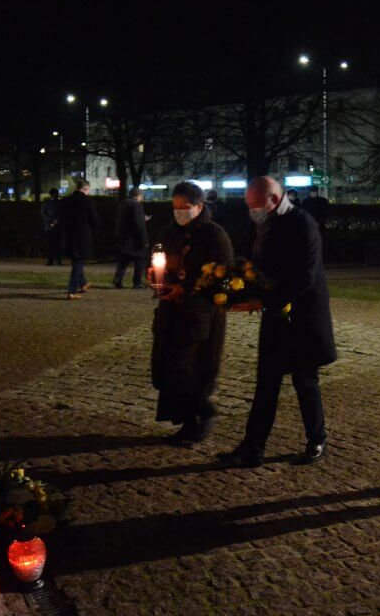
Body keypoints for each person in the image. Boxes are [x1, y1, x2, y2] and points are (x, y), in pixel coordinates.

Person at [221, 176, 336, 468]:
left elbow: (304, 277)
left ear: (273, 200)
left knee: (305, 381)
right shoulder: (261, 223)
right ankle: (253, 448)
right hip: (275, 314)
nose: (252, 210)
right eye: (248, 204)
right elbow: (251, 261)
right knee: (266, 382)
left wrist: (262, 301)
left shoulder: (302, 223)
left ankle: (317, 438)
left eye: (255, 204)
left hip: (303, 316)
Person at [150, 181, 234, 443]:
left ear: (198, 206)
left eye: (184, 207)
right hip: (171, 314)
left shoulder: (214, 235)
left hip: (199, 316)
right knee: (169, 369)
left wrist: (185, 288)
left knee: (189, 368)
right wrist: (157, 278)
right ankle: (187, 422)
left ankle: (203, 413)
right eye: (174, 207)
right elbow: (157, 260)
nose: (179, 212)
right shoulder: (168, 233)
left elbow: (221, 274)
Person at [60, 180, 98, 299]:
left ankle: (83, 283)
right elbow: (94, 219)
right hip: (82, 235)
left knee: (76, 260)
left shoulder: (67, 200)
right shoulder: (88, 201)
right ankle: (71, 291)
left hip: (69, 234)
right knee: (78, 262)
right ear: (86, 188)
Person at [113, 187, 148, 289]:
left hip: (123, 237)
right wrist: (144, 240)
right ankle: (137, 282)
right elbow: (139, 224)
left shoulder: (123, 204)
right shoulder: (137, 205)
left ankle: (118, 279)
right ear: (139, 195)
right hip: (134, 239)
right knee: (140, 260)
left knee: (124, 260)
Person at [41, 188, 63, 266]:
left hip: (52, 226)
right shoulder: (48, 203)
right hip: (52, 226)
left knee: (55, 244)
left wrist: (53, 221)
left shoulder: (48, 203)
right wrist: (54, 221)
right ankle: (53, 260)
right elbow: (43, 214)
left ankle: (55, 260)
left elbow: (44, 214)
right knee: (51, 244)